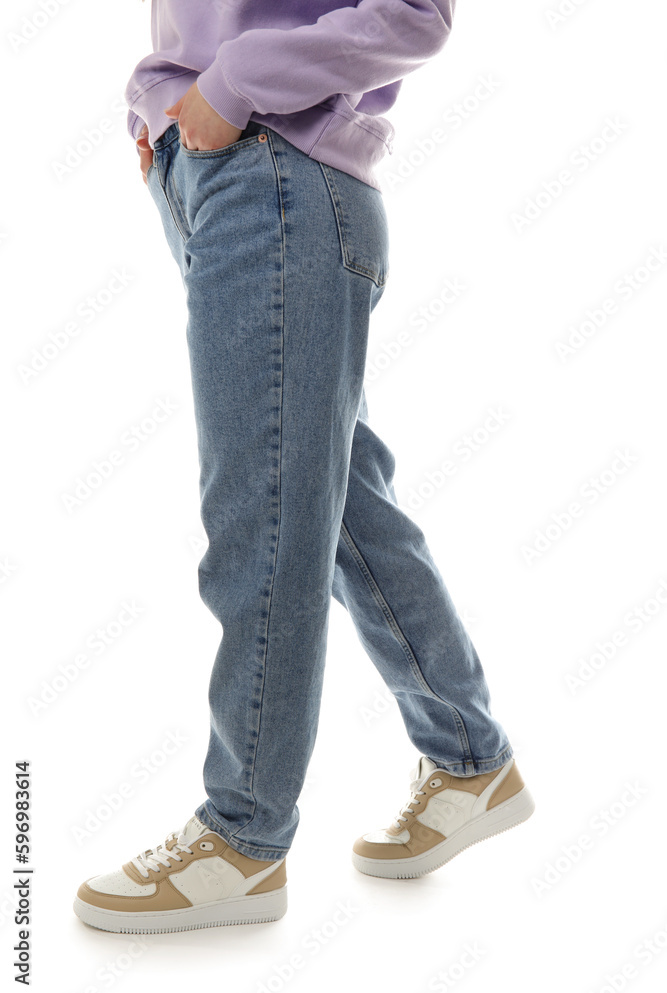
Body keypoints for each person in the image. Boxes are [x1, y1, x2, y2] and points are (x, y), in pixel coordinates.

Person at [73, 0, 534, 935]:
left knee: (266, 517)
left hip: (276, 166)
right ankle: (468, 760)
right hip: (214, 163)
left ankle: (241, 837)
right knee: (340, 509)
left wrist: (232, 85)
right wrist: (159, 114)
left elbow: (416, 15)